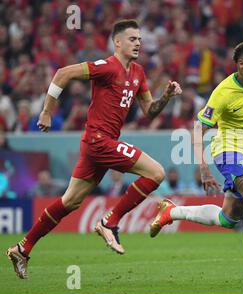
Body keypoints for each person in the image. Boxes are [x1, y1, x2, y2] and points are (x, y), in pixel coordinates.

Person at [6, 20, 182, 279]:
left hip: (100, 144)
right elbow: (62, 73)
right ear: (118, 42)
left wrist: (165, 97)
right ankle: (109, 221)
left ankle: (23, 248)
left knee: (70, 201)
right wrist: (46, 111)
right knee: (155, 173)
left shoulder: (138, 73)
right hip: (99, 140)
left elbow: (148, 110)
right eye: (132, 39)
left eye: (140, 39)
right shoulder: (106, 67)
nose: (138, 43)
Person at [149, 41, 243, 283]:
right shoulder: (223, 92)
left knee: (229, 218)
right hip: (228, 151)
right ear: (241, 65)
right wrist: (203, 167)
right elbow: (199, 129)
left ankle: (171, 212)